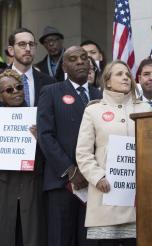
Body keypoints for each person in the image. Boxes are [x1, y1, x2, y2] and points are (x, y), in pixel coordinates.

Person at [75, 60, 151, 245]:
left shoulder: (145, 108)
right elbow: (83, 152)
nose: (125, 77)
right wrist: (98, 177)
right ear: (107, 81)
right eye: (119, 74)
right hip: (105, 195)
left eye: (127, 74)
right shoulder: (93, 110)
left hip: (137, 197)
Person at [37, 46, 102, 246]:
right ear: (64, 66)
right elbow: (45, 135)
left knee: (89, 240)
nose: (81, 62)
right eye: (73, 59)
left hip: (94, 184)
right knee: (61, 239)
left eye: (84, 58)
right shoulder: (51, 92)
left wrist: (93, 173)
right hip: (61, 183)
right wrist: (70, 170)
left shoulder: (100, 95)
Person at [0, 69, 46, 246]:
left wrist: (39, 140)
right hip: (5, 186)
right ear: (1, 96)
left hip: (31, 185)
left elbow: (46, 157)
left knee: (31, 236)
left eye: (19, 87)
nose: (16, 92)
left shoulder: (36, 117)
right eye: (9, 90)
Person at [7, 28, 55, 107]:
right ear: (11, 50)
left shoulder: (50, 83)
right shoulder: (1, 78)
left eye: (31, 44)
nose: (28, 49)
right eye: (22, 44)